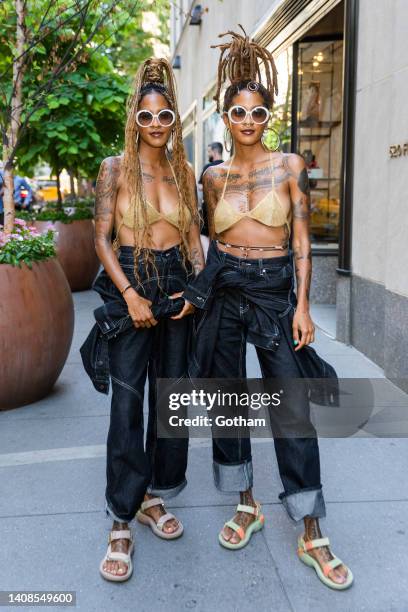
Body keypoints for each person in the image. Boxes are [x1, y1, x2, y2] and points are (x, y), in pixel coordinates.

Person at [181, 27, 353, 590]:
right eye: (237, 112)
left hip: (276, 292)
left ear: (268, 115)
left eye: (257, 112)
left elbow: (301, 241)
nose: (248, 121)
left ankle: (310, 527)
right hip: (225, 290)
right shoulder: (212, 177)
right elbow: (209, 245)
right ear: (225, 117)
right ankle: (247, 502)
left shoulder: (290, 167)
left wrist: (303, 304)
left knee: (291, 407)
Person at [86, 57, 204, 582]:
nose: (156, 126)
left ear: (174, 120)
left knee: (170, 400)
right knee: (127, 404)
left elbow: (193, 239)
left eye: (165, 118)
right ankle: (120, 515)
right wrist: (129, 293)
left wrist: (198, 291)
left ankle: (153, 496)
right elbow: (100, 239)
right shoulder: (115, 169)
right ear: (135, 117)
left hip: (177, 282)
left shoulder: (182, 171)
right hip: (132, 279)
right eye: (147, 117)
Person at [198, 142, 224, 239]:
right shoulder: (228, 166)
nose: (208, 154)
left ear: (214, 151)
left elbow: (200, 187)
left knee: (205, 234)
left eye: (209, 151)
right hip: (224, 207)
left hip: (208, 207)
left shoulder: (209, 168)